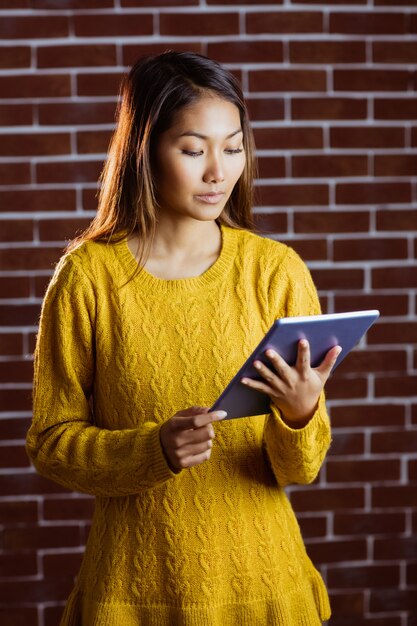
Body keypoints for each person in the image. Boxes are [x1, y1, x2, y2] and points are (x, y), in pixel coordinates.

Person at [26, 50, 341, 626]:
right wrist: (152, 451)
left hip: (265, 590)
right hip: (130, 595)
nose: (218, 172)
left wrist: (300, 414)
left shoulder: (276, 271)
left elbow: (301, 469)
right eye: (194, 150)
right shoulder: (87, 277)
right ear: (144, 151)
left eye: (234, 147)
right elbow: (50, 443)